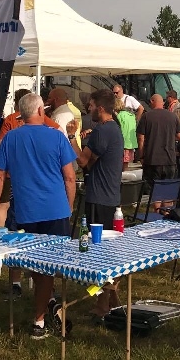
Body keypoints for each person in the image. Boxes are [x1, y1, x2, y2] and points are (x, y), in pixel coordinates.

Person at [0, 93, 76, 340]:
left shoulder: (11, 138)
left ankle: (46, 305)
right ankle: (41, 317)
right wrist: (70, 206)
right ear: (40, 111)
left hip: (27, 210)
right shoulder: (56, 137)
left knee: (37, 264)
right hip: (55, 209)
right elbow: (70, 177)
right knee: (53, 264)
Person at [66, 88, 124, 316]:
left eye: (90, 106)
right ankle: (114, 300)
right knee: (108, 252)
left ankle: (101, 305)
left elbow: (82, 161)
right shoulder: (113, 129)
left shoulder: (102, 131)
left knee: (99, 254)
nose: (87, 110)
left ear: (100, 108)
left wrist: (72, 137)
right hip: (110, 196)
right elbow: (92, 161)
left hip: (99, 197)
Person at [136, 94, 180, 195]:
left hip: (152, 159)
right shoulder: (173, 116)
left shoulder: (146, 116)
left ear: (152, 101)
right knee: (168, 190)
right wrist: (168, 137)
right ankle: (166, 210)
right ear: (162, 102)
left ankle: (157, 210)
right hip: (169, 159)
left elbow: (141, 138)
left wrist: (141, 155)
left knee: (154, 191)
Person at [115, 96, 138, 163]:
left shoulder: (119, 116)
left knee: (120, 164)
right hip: (131, 144)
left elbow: (118, 129)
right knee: (126, 164)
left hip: (123, 144)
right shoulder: (132, 116)